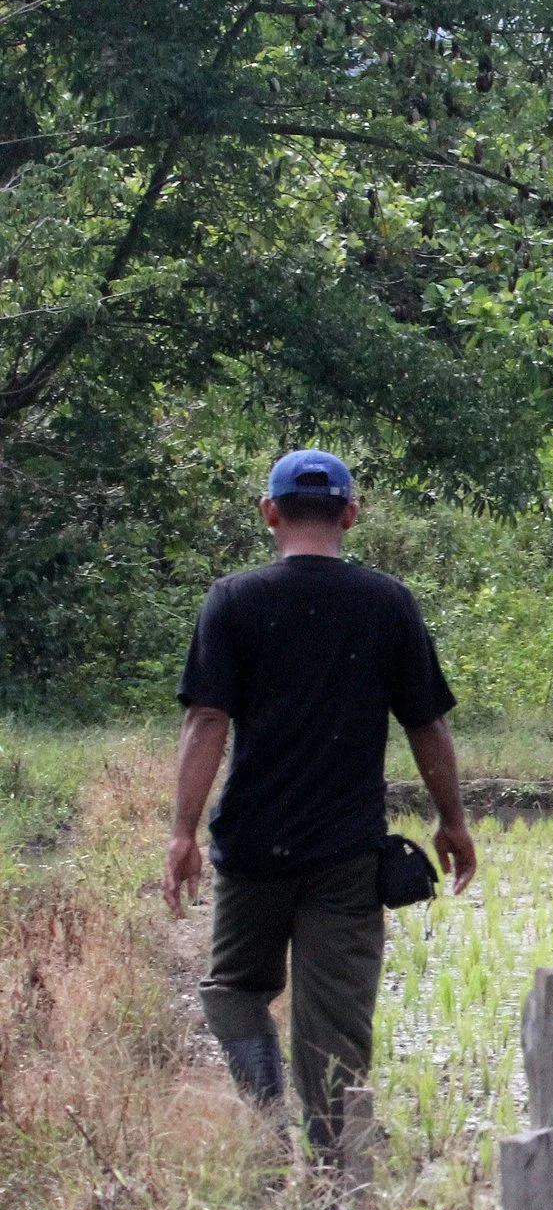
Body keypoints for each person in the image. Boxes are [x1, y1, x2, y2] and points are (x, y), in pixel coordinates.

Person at [162, 449, 478, 1165]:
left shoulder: (233, 600)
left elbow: (206, 720)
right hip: (346, 856)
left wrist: (182, 831)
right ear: (350, 515)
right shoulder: (386, 602)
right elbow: (426, 723)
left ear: (270, 512)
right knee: (335, 1028)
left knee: (234, 987)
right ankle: (340, 1176)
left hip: (252, 848)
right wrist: (452, 821)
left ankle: (267, 1122)